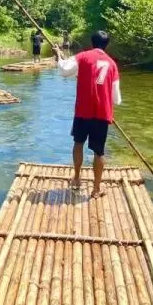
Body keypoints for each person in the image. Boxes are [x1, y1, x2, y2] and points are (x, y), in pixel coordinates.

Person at [57, 30, 121, 198]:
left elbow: (64, 70)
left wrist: (59, 56)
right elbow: (116, 97)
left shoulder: (83, 57)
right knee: (99, 152)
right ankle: (96, 189)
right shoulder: (112, 64)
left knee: (78, 143)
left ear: (92, 43)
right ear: (107, 45)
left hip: (83, 111)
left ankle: (77, 178)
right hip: (102, 114)